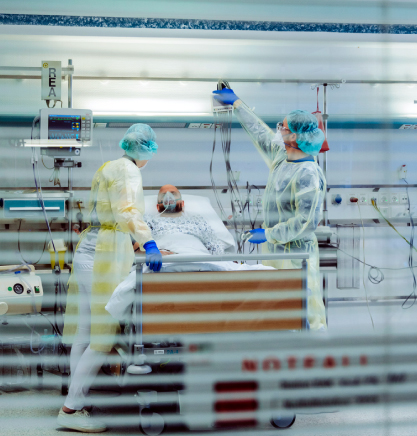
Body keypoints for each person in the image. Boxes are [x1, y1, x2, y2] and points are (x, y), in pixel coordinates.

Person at [59, 124, 163, 432]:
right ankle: (70, 408)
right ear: (146, 150)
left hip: (90, 249)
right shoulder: (129, 171)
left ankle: (76, 398)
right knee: (102, 338)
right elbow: (128, 211)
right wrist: (148, 241)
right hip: (103, 254)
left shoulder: (110, 165)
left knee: (86, 332)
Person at [212, 88, 327, 330]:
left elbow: (306, 223)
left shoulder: (308, 173)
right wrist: (238, 105)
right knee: (276, 310)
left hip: (296, 256)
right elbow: (260, 134)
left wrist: (268, 233)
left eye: (283, 128)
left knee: (303, 311)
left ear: (294, 137)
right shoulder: (282, 157)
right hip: (276, 251)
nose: (278, 130)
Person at [136, 185, 225, 256]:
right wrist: (149, 254)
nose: (169, 197)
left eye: (173, 194)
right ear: (157, 206)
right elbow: (135, 248)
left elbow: (216, 248)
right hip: (166, 259)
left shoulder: (196, 220)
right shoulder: (149, 220)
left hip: (198, 256)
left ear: (182, 203)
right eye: (163, 195)